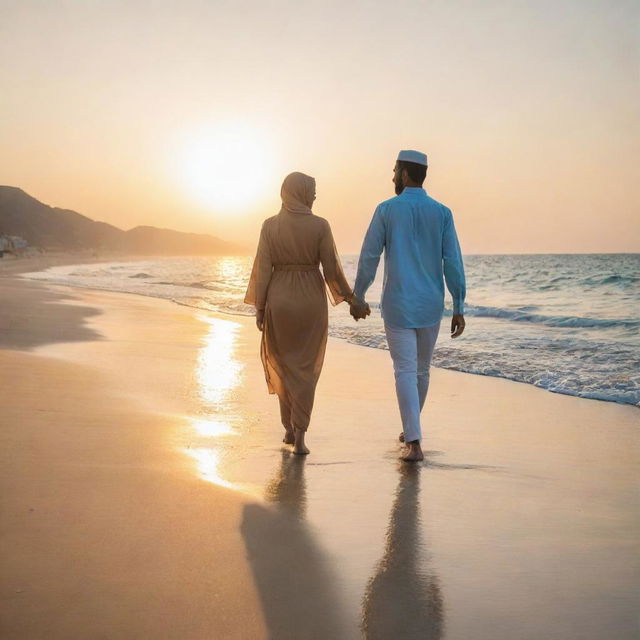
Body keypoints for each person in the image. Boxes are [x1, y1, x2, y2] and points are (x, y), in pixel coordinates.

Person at [352, 150, 466, 462]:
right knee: (421, 371)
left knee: (404, 369)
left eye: (394, 171)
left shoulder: (386, 210)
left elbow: (370, 257)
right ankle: (411, 429)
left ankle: (413, 441)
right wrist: (458, 304)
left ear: (404, 174)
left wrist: (358, 295)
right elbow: (453, 262)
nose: (392, 177)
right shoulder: (442, 212)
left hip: (398, 303)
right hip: (431, 304)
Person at [245, 172, 369, 455]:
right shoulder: (320, 226)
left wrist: (261, 307)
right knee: (305, 370)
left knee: (284, 363)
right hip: (310, 302)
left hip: (280, 299)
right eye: (312, 191)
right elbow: (332, 270)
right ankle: (300, 436)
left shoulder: (270, 226)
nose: (314, 196)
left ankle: (287, 428)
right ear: (300, 192)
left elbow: (263, 269)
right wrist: (351, 299)